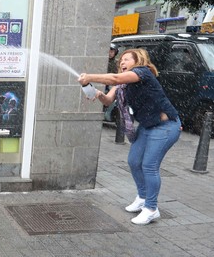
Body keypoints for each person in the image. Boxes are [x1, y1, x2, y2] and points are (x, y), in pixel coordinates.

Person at [78, 48, 181, 225]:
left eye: (126, 59)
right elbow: (108, 100)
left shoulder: (143, 73)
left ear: (138, 61)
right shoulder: (122, 85)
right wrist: (97, 93)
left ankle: (151, 208)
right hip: (148, 126)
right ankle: (142, 197)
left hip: (166, 126)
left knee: (149, 165)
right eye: (121, 61)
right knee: (134, 162)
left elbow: (114, 78)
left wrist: (89, 77)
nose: (122, 63)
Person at [103, 44, 119, 121]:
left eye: (112, 51)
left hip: (112, 84)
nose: (110, 53)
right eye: (108, 51)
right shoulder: (102, 61)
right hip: (103, 84)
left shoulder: (117, 63)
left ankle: (108, 113)